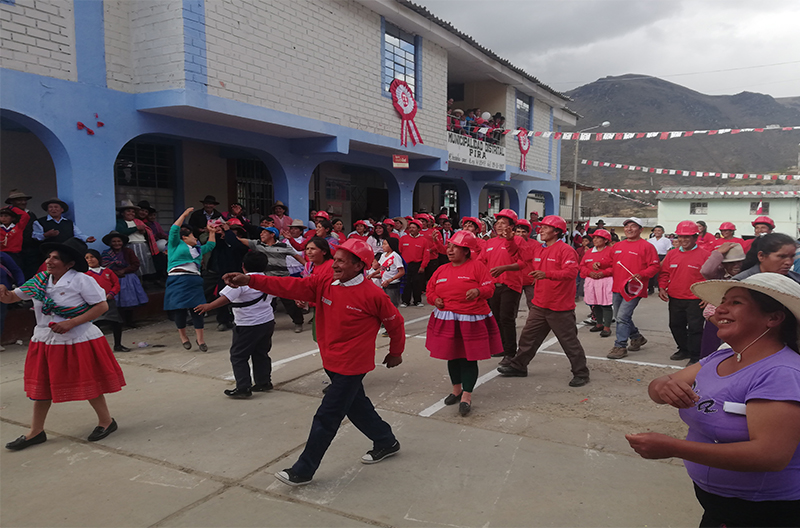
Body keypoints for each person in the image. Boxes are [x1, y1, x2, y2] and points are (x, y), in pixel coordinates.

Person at [222, 238, 405, 486]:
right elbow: (287, 285)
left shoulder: (373, 294)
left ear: (358, 266)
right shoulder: (324, 282)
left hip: (352, 365)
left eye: (341, 261)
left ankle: (304, 469)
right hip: (330, 360)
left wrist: (396, 352)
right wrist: (251, 280)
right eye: (335, 259)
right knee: (356, 405)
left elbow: (395, 323)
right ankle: (385, 440)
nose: (335, 265)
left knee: (327, 416)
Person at [626, 273, 800, 527]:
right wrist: (663, 387)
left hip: (762, 512)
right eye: (723, 301)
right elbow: (658, 387)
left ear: (773, 318)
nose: (721, 309)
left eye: (736, 303)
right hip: (720, 507)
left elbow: (770, 455)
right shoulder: (721, 358)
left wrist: (673, 448)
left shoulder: (780, 373)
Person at [2, 238, 125, 450]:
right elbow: (14, 297)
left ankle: (106, 421)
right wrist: (4, 295)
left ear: (69, 264)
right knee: (41, 386)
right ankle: (36, 431)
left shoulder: (81, 281)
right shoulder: (40, 280)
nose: (49, 261)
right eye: (49, 256)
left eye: (55, 258)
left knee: (88, 382)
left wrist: (71, 323)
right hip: (45, 339)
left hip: (76, 338)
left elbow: (101, 306)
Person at [498, 215, 591, 387]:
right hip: (540, 304)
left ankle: (581, 373)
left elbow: (571, 273)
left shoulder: (566, 250)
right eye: (540, 227)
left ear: (557, 231)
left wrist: (546, 274)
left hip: (560, 306)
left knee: (569, 342)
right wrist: (510, 240)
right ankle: (519, 366)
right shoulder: (538, 250)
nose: (540, 230)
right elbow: (519, 254)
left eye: (545, 228)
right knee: (528, 337)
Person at [425, 231, 500, 416]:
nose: (449, 250)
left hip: (471, 319)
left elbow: (489, 287)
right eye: (449, 246)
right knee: (452, 355)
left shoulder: (477, 267)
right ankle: (456, 389)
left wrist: (478, 291)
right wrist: (435, 299)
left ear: (466, 251)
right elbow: (429, 290)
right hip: (447, 319)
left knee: (468, 356)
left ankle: (467, 394)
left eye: (454, 247)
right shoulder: (441, 269)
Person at [195, 251, 275, 399]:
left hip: (247, 324)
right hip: (267, 322)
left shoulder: (240, 281)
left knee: (238, 355)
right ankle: (263, 382)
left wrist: (208, 306)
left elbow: (226, 298)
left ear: (243, 267)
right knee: (261, 353)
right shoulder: (268, 279)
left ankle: (243, 387)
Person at [607, 217, 661, 360]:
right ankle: (637, 337)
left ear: (641, 230)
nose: (629, 229)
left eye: (633, 226)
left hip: (634, 289)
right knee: (620, 317)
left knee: (622, 317)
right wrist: (597, 266)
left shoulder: (647, 246)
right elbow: (610, 263)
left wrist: (642, 274)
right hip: (618, 287)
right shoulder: (617, 246)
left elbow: (655, 266)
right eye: (626, 226)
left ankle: (620, 346)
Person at [658, 221, 710, 365]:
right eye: (680, 237)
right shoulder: (672, 254)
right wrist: (662, 287)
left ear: (695, 237)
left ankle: (695, 356)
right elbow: (664, 273)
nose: (683, 240)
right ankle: (683, 349)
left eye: (687, 237)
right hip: (675, 298)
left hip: (695, 299)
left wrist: (708, 296)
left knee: (695, 329)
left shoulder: (705, 255)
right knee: (675, 325)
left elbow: (711, 277)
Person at [164, 208, 216, 351]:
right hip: (177, 280)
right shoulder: (175, 245)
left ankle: (200, 340)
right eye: (193, 236)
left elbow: (211, 245)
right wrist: (184, 214)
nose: (196, 238)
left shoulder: (198, 249)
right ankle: (183, 337)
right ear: (184, 238)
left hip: (194, 280)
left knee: (197, 310)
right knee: (179, 310)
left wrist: (212, 232)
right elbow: (174, 229)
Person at [237, 226, 305, 332]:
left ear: (272, 234)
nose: (261, 234)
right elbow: (240, 240)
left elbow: (298, 257)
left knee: (290, 302)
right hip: (267, 279)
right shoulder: (257, 244)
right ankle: (267, 322)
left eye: (264, 232)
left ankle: (298, 322)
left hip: (282, 278)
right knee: (267, 302)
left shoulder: (284, 246)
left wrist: (309, 268)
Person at [479, 209, 525, 362]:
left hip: (510, 285)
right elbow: (480, 262)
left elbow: (523, 263)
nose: (499, 226)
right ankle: (501, 347)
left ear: (511, 226)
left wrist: (504, 268)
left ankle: (510, 352)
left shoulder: (518, 241)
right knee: (496, 317)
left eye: (503, 223)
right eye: (497, 223)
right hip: (493, 286)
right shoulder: (489, 243)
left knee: (506, 318)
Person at [699, 242, 746, 358]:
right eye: (731, 263)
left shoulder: (748, 277)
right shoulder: (719, 276)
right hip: (718, 322)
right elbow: (706, 271)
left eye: (739, 261)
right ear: (723, 265)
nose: (736, 265)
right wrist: (718, 253)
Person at [100, 231, 149, 328]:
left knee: (129, 302)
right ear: (110, 243)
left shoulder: (128, 252)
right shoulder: (106, 254)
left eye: (119, 241)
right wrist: (115, 273)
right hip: (113, 280)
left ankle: (129, 321)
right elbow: (104, 266)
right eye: (114, 241)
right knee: (116, 303)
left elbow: (135, 264)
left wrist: (124, 270)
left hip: (128, 279)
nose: (116, 243)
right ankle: (118, 322)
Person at [84, 249, 127, 352]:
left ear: (98, 258)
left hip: (109, 301)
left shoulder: (107, 271)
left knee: (116, 323)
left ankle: (118, 345)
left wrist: (111, 294)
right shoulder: (85, 274)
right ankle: (95, 349)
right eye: (87, 258)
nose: (90, 260)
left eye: (92, 257)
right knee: (95, 325)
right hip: (95, 304)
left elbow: (116, 284)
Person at [581, 228, 614, 337]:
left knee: (606, 304)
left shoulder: (611, 251)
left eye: (598, 238)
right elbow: (582, 266)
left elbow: (615, 267)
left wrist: (603, 273)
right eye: (594, 237)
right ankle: (599, 323)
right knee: (595, 304)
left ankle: (607, 327)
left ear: (605, 240)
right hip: (591, 280)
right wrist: (589, 273)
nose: (594, 240)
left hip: (605, 280)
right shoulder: (589, 252)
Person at [735, 233, 800, 284]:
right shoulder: (740, 283)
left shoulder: (796, 281)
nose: (789, 262)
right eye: (782, 256)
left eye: (792, 256)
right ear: (761, 256)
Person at [114, 201, 157, 277]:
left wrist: (144, 231)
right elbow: (121, 231)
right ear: (122, 213)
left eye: (133, 212)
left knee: (144, 264)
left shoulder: (137, 221)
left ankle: (143, 281)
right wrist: (136, 228)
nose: (131, 213)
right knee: (134, 264)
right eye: (128, 211)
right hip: (131, 245)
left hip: (142, 245)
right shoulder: (121, 222)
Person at [5, 190, 40, 279]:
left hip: (30, 248)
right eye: (19, 200)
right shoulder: (7, 215)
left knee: (31, 272)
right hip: (14, 250)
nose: (23, 202)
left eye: (24, 200)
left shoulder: (31, 214)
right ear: (12, 202)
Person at [399, 219, 430, 307]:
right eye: (410, 227)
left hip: (418, 264)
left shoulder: (423, 240)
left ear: (418, 229)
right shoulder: (403, 239)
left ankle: (417, 301)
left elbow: (426, 255)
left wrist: (423, 266)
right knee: (406, 283)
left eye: (414, 227)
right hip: (405, 265)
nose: (411, 229)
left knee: (417, 283)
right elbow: (399, 252)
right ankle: (405, 301)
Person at [0, 252, 25, 349]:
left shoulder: (2, 256)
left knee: (0, 316)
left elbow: (16, 270)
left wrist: (21, 287)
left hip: (3, 294)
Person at [378, 237, 405, 307]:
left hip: (393, 284)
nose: (382, 246)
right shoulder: (383, 255)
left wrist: (390, 280)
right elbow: (382, 268)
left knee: (392, 305)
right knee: (383, 304)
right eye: (383, 244)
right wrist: (372, 274)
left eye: (385, 244)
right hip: (383, 283)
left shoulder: (395, 256)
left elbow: (401, 272)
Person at [647, 225, 672, 294]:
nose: (657, 232)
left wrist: (664, 260)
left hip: (662, 256)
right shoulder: (650, 240)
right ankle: (650, 288)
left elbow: (668, 251)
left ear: (663, 232)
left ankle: (660, 288)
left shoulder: (666, 240)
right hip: (652, 257)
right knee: (651, 273)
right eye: (655, 231)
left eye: (659, 231)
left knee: (661, 273)